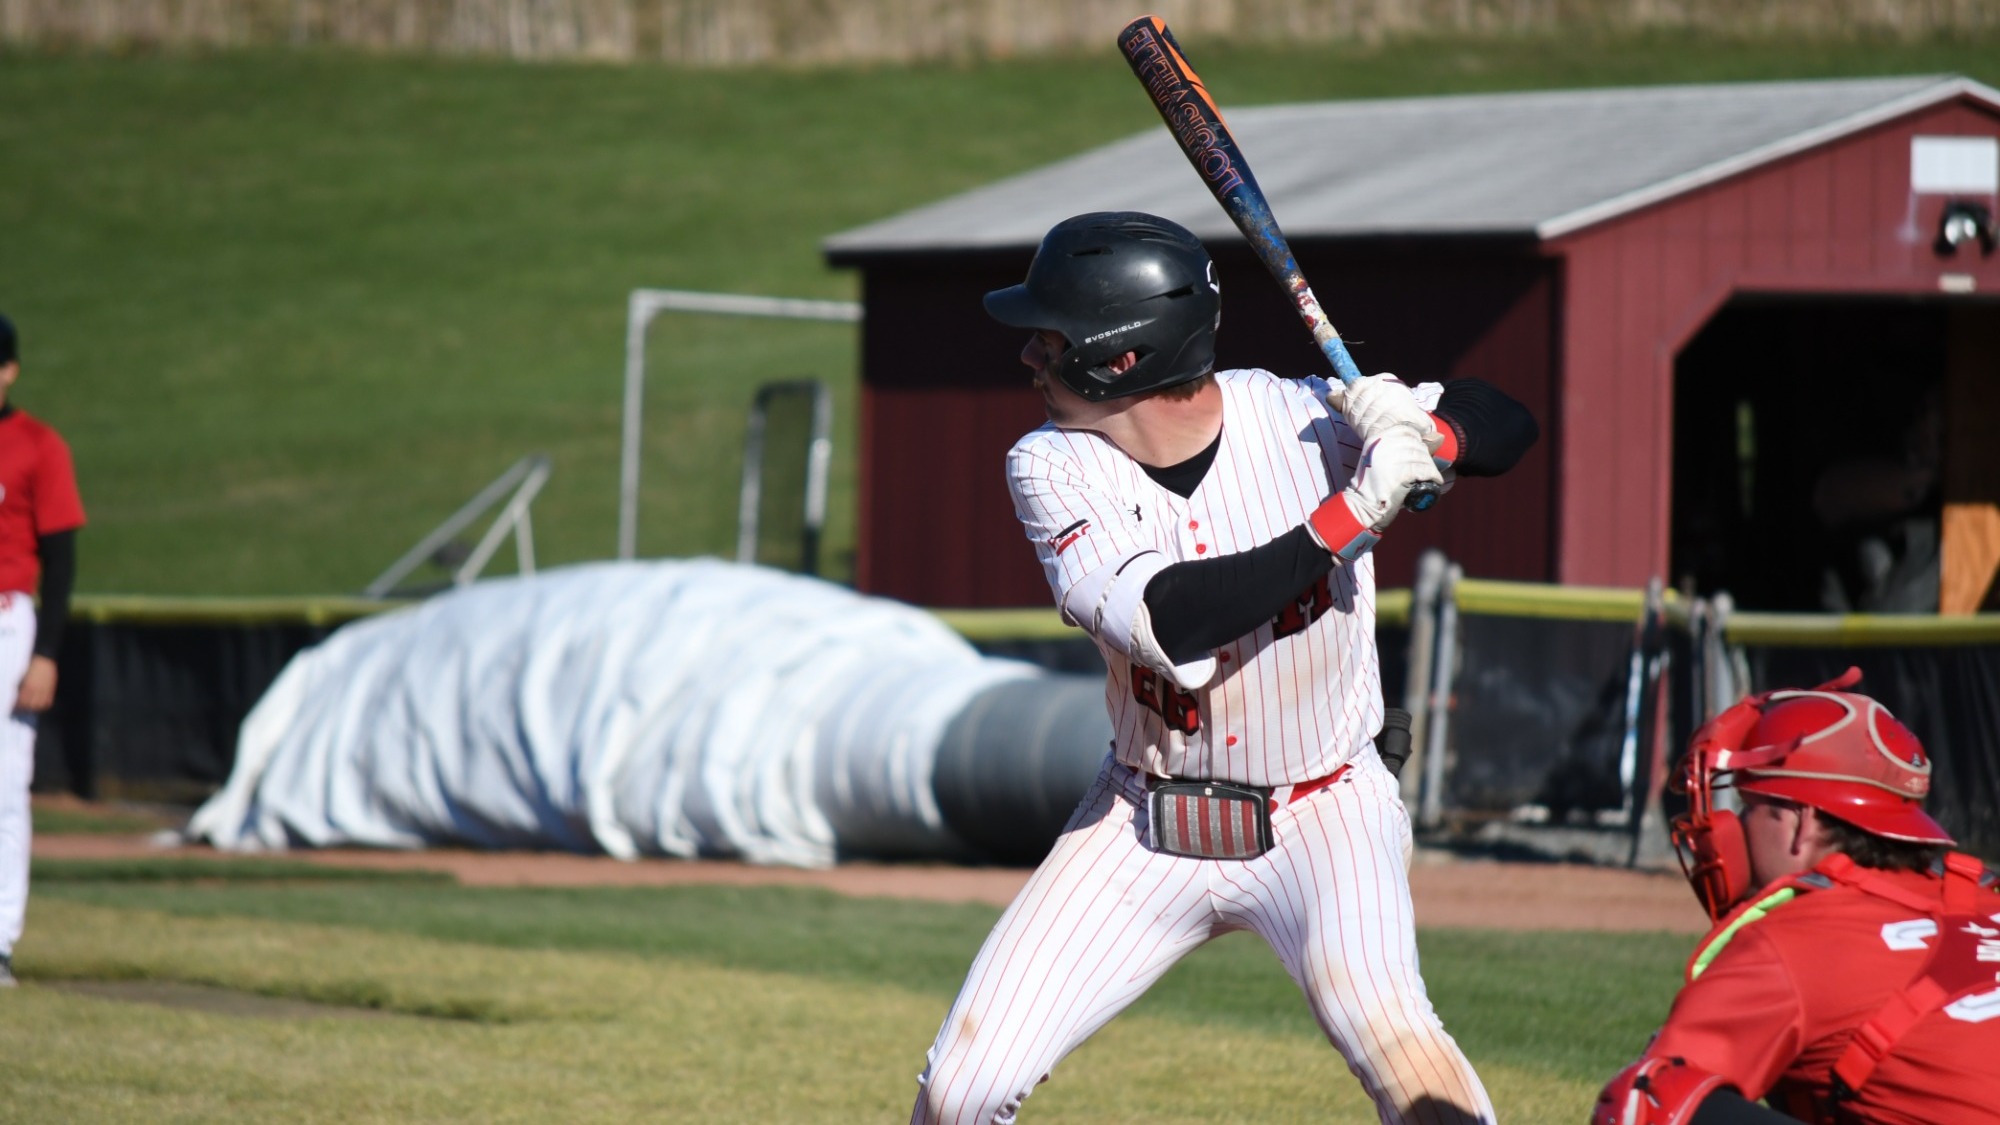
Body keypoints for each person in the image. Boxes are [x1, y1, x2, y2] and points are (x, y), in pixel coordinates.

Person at [908, 212, 1538, 1124]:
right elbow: (1175, 613)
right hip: (1139, 823)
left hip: (1324, 812)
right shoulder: (1049, 464)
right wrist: (1356, 509)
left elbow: (1508, 420)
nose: (1030, 358)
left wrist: (1434, 438)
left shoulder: (1308, 417)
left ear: (1119, 358)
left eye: (1050, 338)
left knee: (1412, 1066)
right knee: (962, 1090)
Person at [1593, 669, 2000, 1125]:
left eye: (1749, 806)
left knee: (1646, 1098)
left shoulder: (1797, 935)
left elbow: (1657, 1091)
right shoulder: (1988, 896)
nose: (1737, 826)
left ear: (1802, 822)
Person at [0, 312, 86, 989]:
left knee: (4, 786)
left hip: (9, 624)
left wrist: (47, 651)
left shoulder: (37, 445)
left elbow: (61, 560)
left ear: (10, 370)